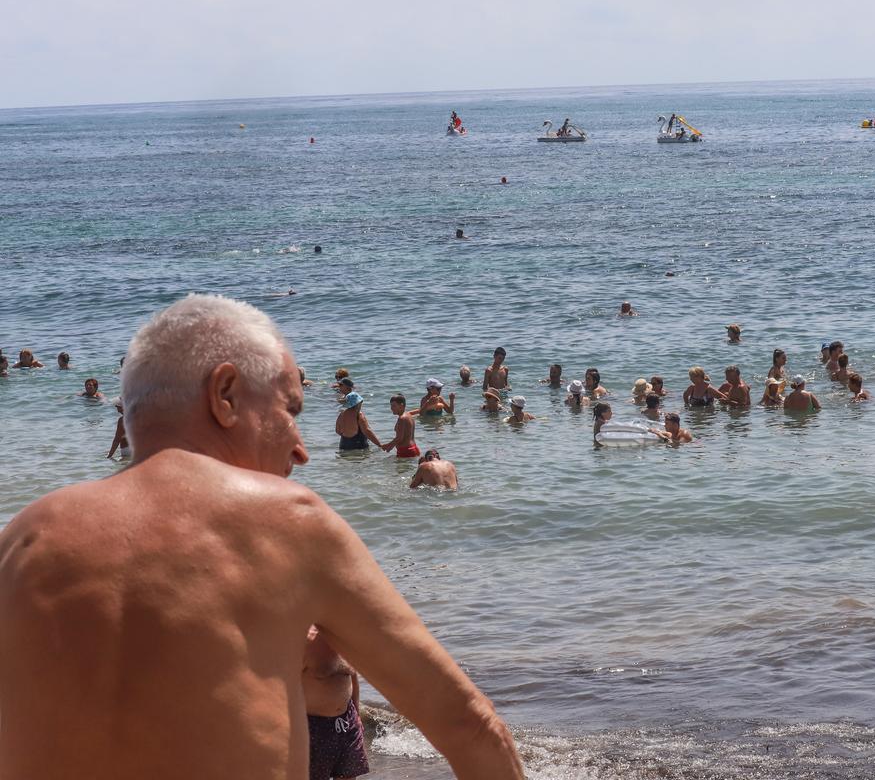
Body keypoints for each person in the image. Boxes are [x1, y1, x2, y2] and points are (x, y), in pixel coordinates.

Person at [0, 294, 523, 779]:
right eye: (289, 411)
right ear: (225, 395)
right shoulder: (289, 522)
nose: (301, 450)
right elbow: (467, 726)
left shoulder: (24, 540)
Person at [304, 626, 369, 780]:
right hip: (313, 727)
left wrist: (357, 716)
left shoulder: (343, 638)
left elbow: (353, 677)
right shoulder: (304, 641)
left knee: (348, 776)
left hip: (347, 722)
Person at [382, 394, 420, 458]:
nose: (391, 408)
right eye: (391, 406)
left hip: (406, 451)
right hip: (413, 448)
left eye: (394, 406)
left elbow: (399, 438)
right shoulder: (408, 415)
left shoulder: (402, 418)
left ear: (401, 406)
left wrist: (389, 446)